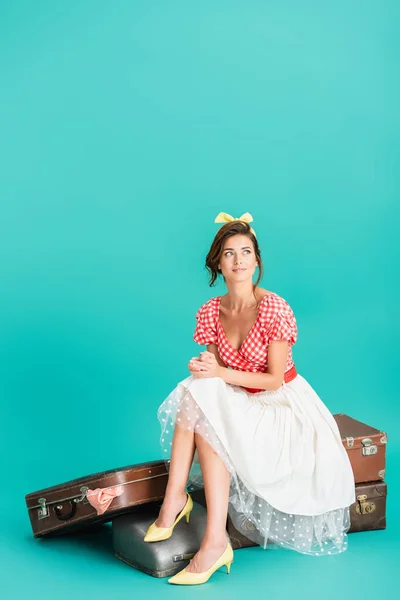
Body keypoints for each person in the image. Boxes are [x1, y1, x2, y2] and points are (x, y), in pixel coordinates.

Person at [143, 212, 356, 585]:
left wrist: (218, 374)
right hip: (241, 400)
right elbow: (214, 373)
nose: (239, 260)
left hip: (281, 406)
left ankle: (182, 511)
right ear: (218, 264)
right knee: (198, 391)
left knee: (204, 399)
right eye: (229, 253)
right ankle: (201, 527)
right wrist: (203, 367)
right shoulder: (211, 311)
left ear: (256, 261)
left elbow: (274, 380)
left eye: (246, 252)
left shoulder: (273, 307)